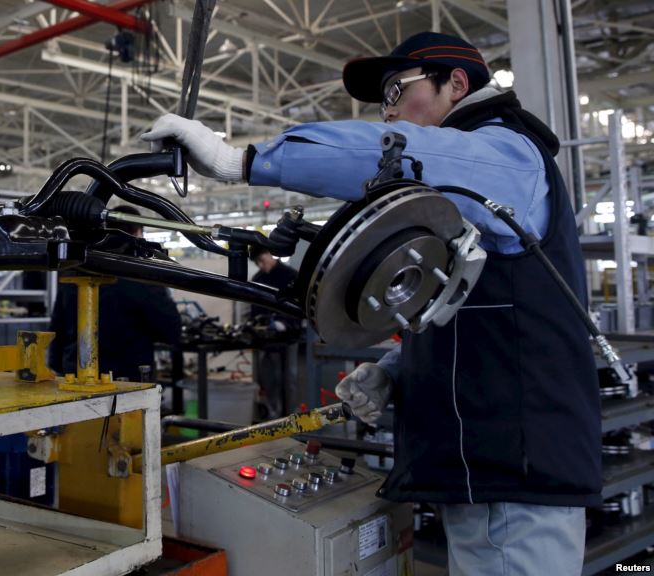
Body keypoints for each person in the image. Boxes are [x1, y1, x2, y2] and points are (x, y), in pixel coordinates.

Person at [141, 31, 598, 576]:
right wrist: (396, 370)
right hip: (489, 469)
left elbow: (407, 156)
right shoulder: (462, 206)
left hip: (518, 478)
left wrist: (241, 159)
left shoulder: (509, 153)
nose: (390, 115)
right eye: (384, 103)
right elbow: (478, 316)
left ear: (456, 83)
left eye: (398, 92)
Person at [49, 206, 182, 383]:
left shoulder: (75, 268)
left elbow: (58, 324)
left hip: (74, 375)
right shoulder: (141, 275)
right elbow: (170, 328)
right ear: (137, 232)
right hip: (126, 380)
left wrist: (58, 366)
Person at [248, 245, 299, 417]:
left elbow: (298, 307)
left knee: (288, 380)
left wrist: (285, 323)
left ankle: (289, 417)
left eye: (262, 260)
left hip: (289, 337)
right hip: (267, 341)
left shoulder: (291, 276)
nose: (261, 266)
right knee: (269, 379)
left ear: (270, 254)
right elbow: (254, 310)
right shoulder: (257, 279)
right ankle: (272, 415)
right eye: (257, 263)